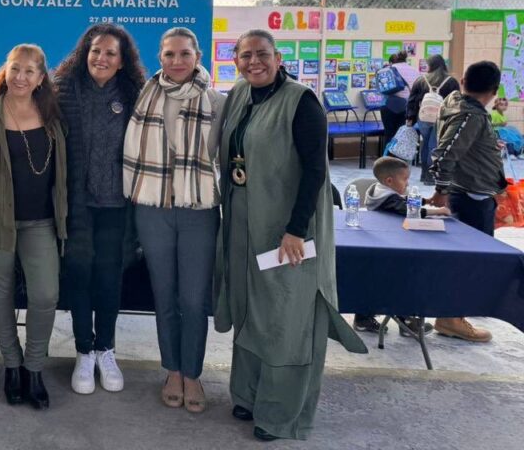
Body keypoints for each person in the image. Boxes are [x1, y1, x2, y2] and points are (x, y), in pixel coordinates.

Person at [216, 29, 365, 442]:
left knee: (286, 317)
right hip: (246, 223)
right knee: (249, 307)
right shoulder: (240, 95)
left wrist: (295, 230)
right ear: (237, 61)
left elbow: (316, 171)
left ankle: (281, 414)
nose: (253, 62)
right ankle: (247, 394)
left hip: (287, 228)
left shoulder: (301, 102)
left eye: (262, 54)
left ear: (278, 57)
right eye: (245, 56)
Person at [123, 27, 223, 413]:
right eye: (169, 55)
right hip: (152, 208)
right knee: (164, 296)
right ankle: (173, 371)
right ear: (160, 58)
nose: (177, 61)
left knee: (194, 299)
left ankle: (193, 372)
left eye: (184, 54)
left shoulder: (217, 102)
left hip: (198, 211)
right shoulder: (143, 99)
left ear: (197, 56)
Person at [0, 44, 67, 409]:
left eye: (29, 71)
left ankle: (34, 367)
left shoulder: (53, 115)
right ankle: (12, 365)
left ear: (41, 78)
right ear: (5, 71)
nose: (20, 77)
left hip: (41, 222)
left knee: (45, 296)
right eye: (15, 69)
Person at [53, 23, 146, 395]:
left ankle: (106, 348)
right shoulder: (63, 91)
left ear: (122, 61)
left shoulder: (135, 95)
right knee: (78, 277)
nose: (101, 58)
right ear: (84, 53)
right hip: (77, 206)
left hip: (116, 207)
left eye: (110, 53)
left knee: (109, 280)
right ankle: (83, 351)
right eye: (95, 50)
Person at [429, 60, 507, 343]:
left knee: (468, 258)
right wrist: (441, 189)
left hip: (471, 191)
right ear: (494, 91)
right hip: (471, 196)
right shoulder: (470, 116)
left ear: (462, 81)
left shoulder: (454, 101)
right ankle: (451, 318)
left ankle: (453, 315)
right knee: (470, 261)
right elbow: (446, 153)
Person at [353, 156, 449, 336]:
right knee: (399, 279)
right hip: (386, 248)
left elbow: (406, 200)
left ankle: (406, 318)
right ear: (389, 181)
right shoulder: (386, 198)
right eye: (404, 179)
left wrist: (426, 201)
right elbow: (407, 209)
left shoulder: (380, 189)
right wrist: (438, 211)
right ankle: (382, 319)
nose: (407, 183)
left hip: (388, 243)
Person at [406, 55, 458, 185]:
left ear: (430, 65)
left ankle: (425, 174)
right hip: (443, 118)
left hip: (423, 117)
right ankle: (430, 176)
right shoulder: (451, 81)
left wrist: (410, 118)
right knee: (434, 145)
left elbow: (412, 100)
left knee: (426, 144)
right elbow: (457, 102)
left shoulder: (421, 80)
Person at [378, 51, 419, 146]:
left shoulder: (388, 70)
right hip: (408, 108)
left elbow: (381, 89)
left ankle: (388, 158)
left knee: (389, 134)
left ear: (391, 62)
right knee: (403, 135)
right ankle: (401, 159)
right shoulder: (415, 71)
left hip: (389, 106)